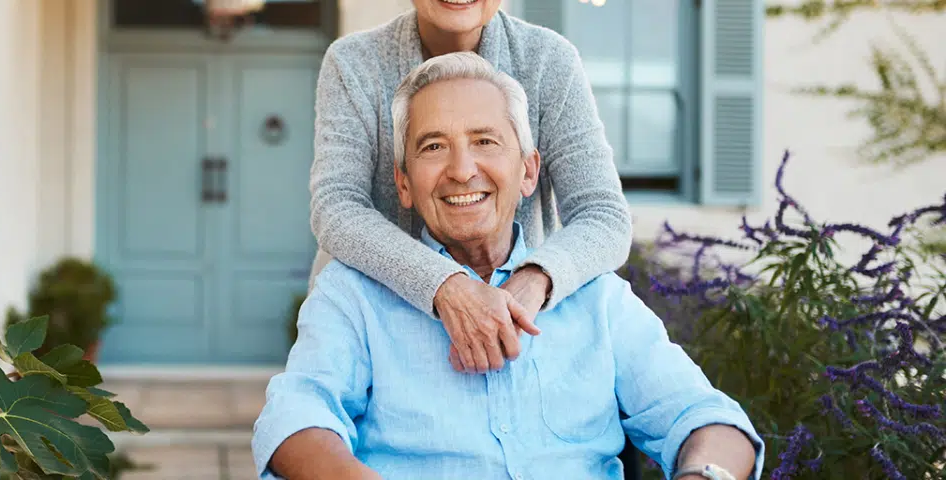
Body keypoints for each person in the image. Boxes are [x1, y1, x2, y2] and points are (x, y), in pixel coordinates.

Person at [258, 52, 763, 480]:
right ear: (404, 185)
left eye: (485, 141)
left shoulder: (598, 300)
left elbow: (708, 420)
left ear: (528, 171)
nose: (461, 170)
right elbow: (295, 417)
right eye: (434, 147)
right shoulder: (352, 296)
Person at [308, 0, 633, 373]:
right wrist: (447, 285)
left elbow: (604, 215)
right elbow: (336, 207)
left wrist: (532, 279)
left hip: (513, 323)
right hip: (380, 334)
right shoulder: (353, 63)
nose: (462, 172)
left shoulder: (548, 60)